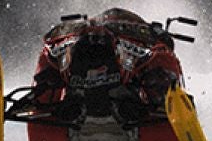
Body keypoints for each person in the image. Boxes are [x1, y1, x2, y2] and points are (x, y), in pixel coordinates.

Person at [31, 8, 185, 113]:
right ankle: (166, 106)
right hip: (82, 100)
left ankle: (166, 105)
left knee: (160, 64)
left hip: (126, 101)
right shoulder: (66, 47)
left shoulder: (144, 49)